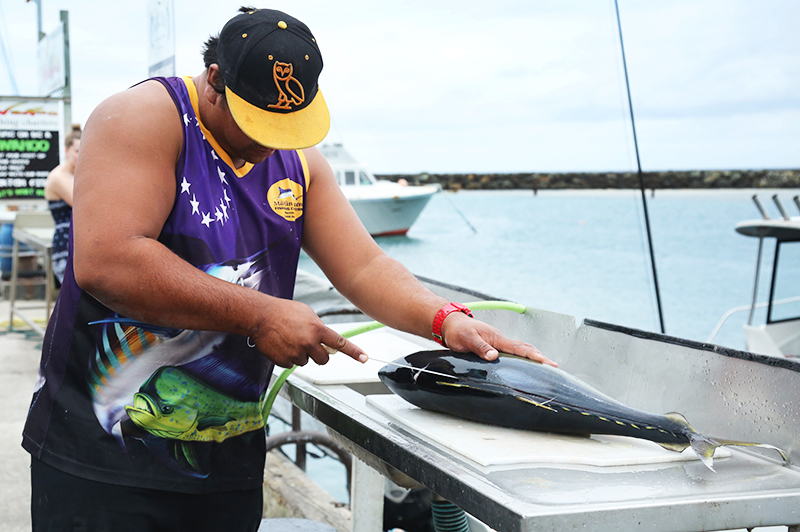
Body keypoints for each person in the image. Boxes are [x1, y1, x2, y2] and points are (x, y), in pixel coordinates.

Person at [22, 7, 554, 531]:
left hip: (227, 460)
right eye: (258, 122)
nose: (273, 140)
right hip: (100, 460)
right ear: (214, 82)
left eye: (287, 124)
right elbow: (108, 261)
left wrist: (445, 320)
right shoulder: (141, 116)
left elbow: (365, 265)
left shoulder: (299, 161)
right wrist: (261, 314)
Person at [43, 124, 81, 285]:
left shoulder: (83, 174)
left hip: (84, 243)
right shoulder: (58, 177)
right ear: (66, 150)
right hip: (66, 245)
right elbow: (81, 204)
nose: (81, 156)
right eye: (77, 151)